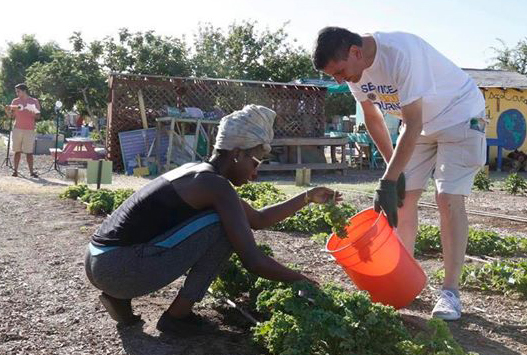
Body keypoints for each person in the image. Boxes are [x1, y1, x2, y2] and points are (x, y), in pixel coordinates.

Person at [84, 104, 340, 336]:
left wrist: (307, 197)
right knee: (222, 228)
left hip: (98, 260)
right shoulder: (215, 186)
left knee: (224, 221)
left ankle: (120, 299)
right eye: (256, 162)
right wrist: (302, 280)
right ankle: (176, 317)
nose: (255, 174)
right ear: (237, 153)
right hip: (116, 267)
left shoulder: (201, 175)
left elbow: (258, 219)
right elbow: (253, 261)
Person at [312, 28, 486, 321]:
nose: (340, 80)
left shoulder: (400, 54)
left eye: (340, 72)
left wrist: (389, 180)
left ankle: (450, 293)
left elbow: (414, 122)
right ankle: (402, 280)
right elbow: (373, 117)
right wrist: (392, 167)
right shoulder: (357, 72)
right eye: (334, 76)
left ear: (355, 52)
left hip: (459, 115)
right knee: (402, 200)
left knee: (447, 198)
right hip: (419, 125)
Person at [3, 83, 41, 177]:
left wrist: (32, 111)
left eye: (18, 91)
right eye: (16, 91)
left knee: (29, 152)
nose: (16, 93)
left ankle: (31, 172)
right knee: (17, 151)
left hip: (29, 130)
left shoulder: (34, 101)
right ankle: (15, 171)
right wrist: (7, 110)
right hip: (17, 129)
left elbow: (38, 116)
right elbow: (11, 116)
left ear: (24, 91)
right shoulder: (15, 101)